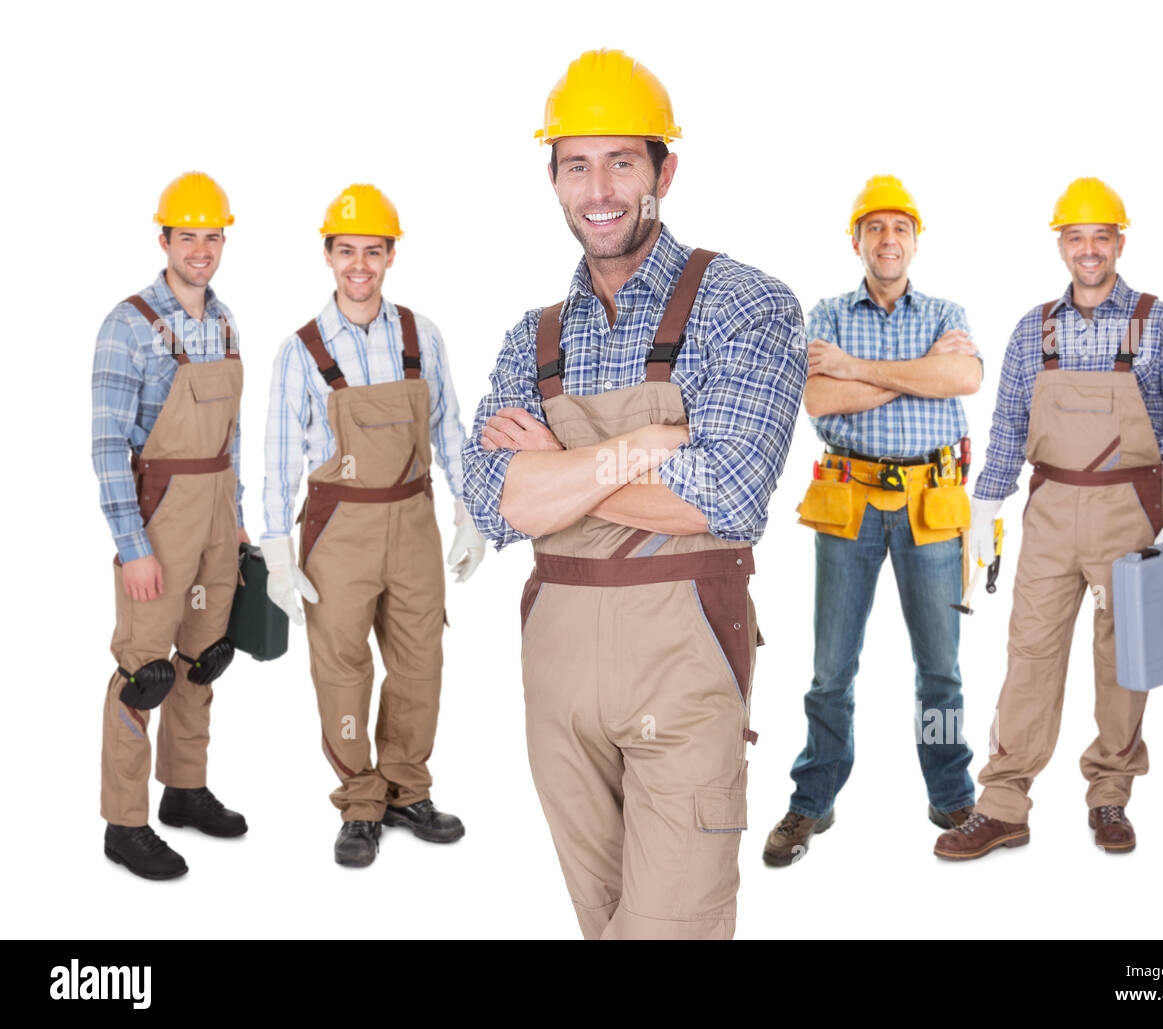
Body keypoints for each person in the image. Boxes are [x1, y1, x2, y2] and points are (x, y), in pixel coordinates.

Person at [461, 48, 806, 939]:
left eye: (623, 160)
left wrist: (562, 466)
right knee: (603, 923)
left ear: (665, 170)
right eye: (577, 164)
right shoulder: (528, 337)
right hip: (555, 676)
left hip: (683, 659)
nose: (600, 187)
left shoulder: (748, 305)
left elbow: (728, 494)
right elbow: (496, 505)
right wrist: (642, 450)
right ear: (553, 179)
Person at [935, 177, 1163, 860]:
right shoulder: (1035, 330)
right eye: (1075, 237)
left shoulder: (1160, 324)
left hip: (1131, 509)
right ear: (1060, 243)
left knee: (1123, 654)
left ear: (1121, 240)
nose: (1088, 250)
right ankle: (1003, 803)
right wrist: (985, 505)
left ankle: (1110, 794)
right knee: (1029, 652)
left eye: (1100, 236)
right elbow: (1006, 425)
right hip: (1052, 509)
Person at [763, 175, 983, 867]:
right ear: (856, 239)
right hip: (849, 500)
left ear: (916, 240)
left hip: (931, 503)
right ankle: (813, 798)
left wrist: (862, 369)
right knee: (832, 668)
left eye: (901, 228)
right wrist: (916, 371)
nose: (889, 239)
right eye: (876, 228)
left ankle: (952, 792)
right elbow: (820, 397)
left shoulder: (946, 309)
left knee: (940, 669)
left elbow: (964, 380)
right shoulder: (825, 311)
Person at [262, 184, 484, 868]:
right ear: (328, 255)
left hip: (413, 519)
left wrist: (468, 509)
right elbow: (275, 456)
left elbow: (450, 427)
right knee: (342, 666)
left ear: (391, 256)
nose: (360, 263)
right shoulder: (300, 351)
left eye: (374, 250)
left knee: (421, 663)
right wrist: (276, 551)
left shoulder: (422, 335)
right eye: (347, 250)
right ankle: (360, 799)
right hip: (339, 530)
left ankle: (406, 789)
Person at [93, 171, 249, 880]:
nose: (200, 250)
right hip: (159, 519)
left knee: (203, 657)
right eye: (187, 236)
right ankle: (125, 824)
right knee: (144, 671)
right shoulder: (128, 324)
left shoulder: (223, 321)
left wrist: (237, 520)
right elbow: (105, 445)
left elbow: (231, 433)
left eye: (211, 237)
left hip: (216, 512)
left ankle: (183, 789)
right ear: (164, 239)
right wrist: (132, 547)